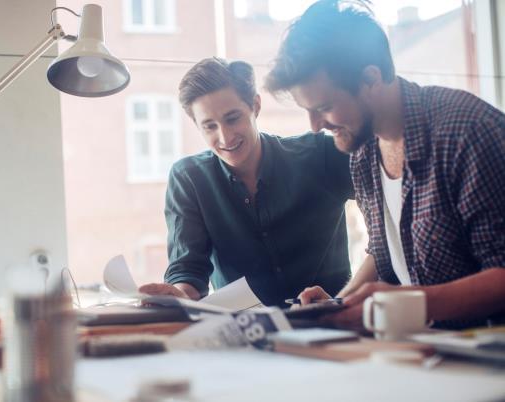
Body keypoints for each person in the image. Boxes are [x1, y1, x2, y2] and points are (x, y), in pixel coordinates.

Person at [264, 0, 505, 328]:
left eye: (324, 106)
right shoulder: (363, 152)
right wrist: (340, 304)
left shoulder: (466, 131)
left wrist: (408, 303)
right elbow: (384, 251)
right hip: (424, 350)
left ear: (371, 79)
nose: (315, 125)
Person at [139, 57, 354, 307]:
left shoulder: (321, 155)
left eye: (233, 119)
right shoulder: (189, 179)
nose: (225, 137)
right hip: (246, 334)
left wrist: (348, 297)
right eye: (210, 126)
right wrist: (180, 295)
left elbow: (387, 211)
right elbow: (188, 269)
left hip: (333, 323)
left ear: (255, 105)